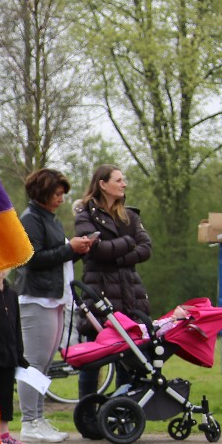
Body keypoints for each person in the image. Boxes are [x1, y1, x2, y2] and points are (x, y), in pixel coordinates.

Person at [16, 168, 94, 443]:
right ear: (43, 193)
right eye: (57, 194)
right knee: (34, 362)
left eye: (62, 194)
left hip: (54, 297)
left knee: (45, 362)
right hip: (37, 298)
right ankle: (29, 420)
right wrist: (70, 249)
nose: (61, 198)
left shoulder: (50, 219)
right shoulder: (30, 219)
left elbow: (57, 258)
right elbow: (33, 258)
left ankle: (38, 417)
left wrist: (77, 251)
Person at [72, 165, 152, 400]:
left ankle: (121, 410)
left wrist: (117, 257)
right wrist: (128, 242)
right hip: (99, 294)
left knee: (127, 359)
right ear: (103, 184)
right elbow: (96, 250)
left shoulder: (130, 216)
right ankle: (87, 411)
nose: (124, 184)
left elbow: (146, 248)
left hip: (129, 294)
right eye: (118, 180)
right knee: (93, 359)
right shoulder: (85, 216)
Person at [0, 270, 29, 444]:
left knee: (6, 395)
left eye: (1, 267)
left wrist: (19, 354)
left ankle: (4, 433)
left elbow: (16, 326)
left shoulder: (11, 295)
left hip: (9, 353)